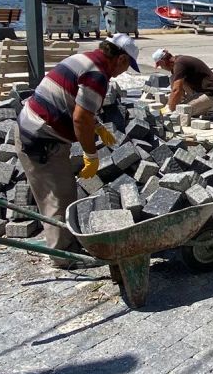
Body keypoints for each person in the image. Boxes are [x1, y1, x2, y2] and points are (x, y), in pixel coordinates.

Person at [16, 33, 139, 266]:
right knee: (59, 197)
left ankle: (64, 241)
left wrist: (98, 126)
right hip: (40, 139)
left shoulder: (84, 59)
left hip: (33, 127)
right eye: (127, 67)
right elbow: (80, 119)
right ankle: (63, 255)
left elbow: (73, 101)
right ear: (121, 59)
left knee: (59, 192)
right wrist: (91, 155)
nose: (124, 72)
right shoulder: (97, 75)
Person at [152, 48, 213, 117]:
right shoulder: (177, 62)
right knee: (173, 78)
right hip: (199, 91)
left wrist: (169, 107)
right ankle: (197, 104)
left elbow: (176, 90)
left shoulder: (180, 64)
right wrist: (175, 102)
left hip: (211, 95)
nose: (161, 68)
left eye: (160, 65)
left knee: (181, 112)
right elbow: (178, 89)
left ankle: (208, 108)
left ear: (162, 62)